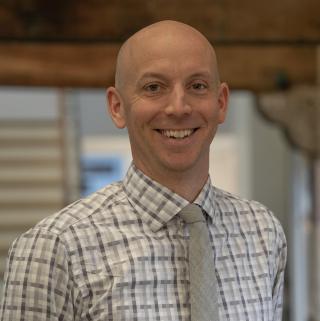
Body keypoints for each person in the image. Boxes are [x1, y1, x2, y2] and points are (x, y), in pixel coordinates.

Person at [0, 20, 286, 321]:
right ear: (117, 107)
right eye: (154, 87)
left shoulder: (263, 232)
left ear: (221, 103)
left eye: (197, 86)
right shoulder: (55, 248)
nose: (179, 107)